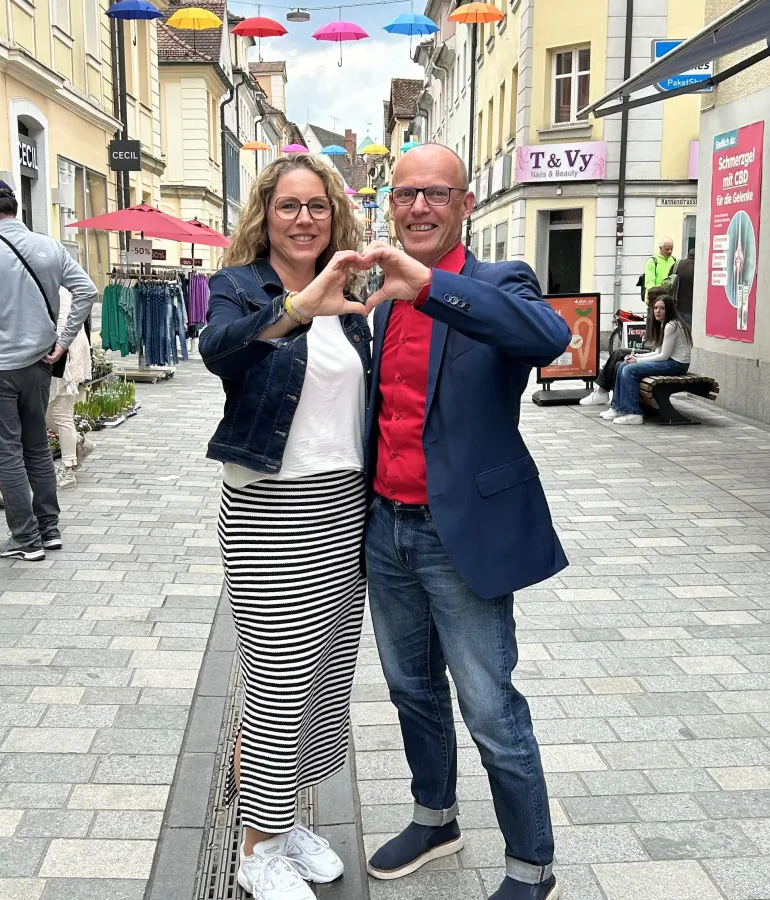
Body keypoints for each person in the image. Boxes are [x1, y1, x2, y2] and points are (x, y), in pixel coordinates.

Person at [363, 143, 570, 900]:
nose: (418, 207)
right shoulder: (377, 293)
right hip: (384, 528)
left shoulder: (495, 282)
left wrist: (427, 286)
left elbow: (548, 339)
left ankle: (530, 866)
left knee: (489, 707)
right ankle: (435, 816)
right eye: (406, 193)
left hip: (460, 537)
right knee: (410, 690)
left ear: (465, 203)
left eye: (436, 193)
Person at [199, 154, 373, 900]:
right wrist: (300, 309)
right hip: (272, 507)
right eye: (288, 206)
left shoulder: (354, 288)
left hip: (346, 504)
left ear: (334, 213)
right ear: (265, 216)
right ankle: (253, 848)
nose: (304, 219)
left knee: (325, 676)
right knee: (275, 682)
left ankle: (289, 821)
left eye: (317, 207)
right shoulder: (239, 287)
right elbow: (218, 352)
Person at [0, 180, 96, 560]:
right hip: (39, 364)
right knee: (38, 448)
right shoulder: (50, 246)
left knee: (8, 452)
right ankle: (50, 529)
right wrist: (62, 341)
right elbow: (86, 290)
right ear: (15, 208)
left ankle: (25, 539)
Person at [605, 292, 691, 425]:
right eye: (656, 308)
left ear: (669, 310)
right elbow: (658, 351)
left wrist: (638, 361)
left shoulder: (671, 325)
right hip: (670, 361)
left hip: (677, 364)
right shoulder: (664, 324)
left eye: (662, 308)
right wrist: (637, 356)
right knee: (623, 365)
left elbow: (663, 356)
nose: (658, 311)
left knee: (629, 370)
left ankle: (634, 413)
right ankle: (618, 408)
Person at [580, 284, 671, 407]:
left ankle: (603, 392)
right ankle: (608, 396)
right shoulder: (653, 314)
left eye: (649, 298)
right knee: (619, 358)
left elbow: (658, 347)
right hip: (652, 351)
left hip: (653, 353)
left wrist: (645, 345)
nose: (647, 301)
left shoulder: (662, 317)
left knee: (619, 354)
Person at [47, 283, 93, 488]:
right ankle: (81, 444)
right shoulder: (56, 286)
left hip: (64, 354)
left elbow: (63, 322)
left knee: (61, 413)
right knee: (47, 413)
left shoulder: (58, 290)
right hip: (60, 352)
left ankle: (67, 469)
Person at [643, 237, 676, 302]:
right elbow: (649, 283)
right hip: (655, 299)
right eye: (667, 249)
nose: (670, 251)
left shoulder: (673, 260)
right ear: (660, 248)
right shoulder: (652, 261)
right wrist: (657, 297)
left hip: (669, 299)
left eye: (671, 249)